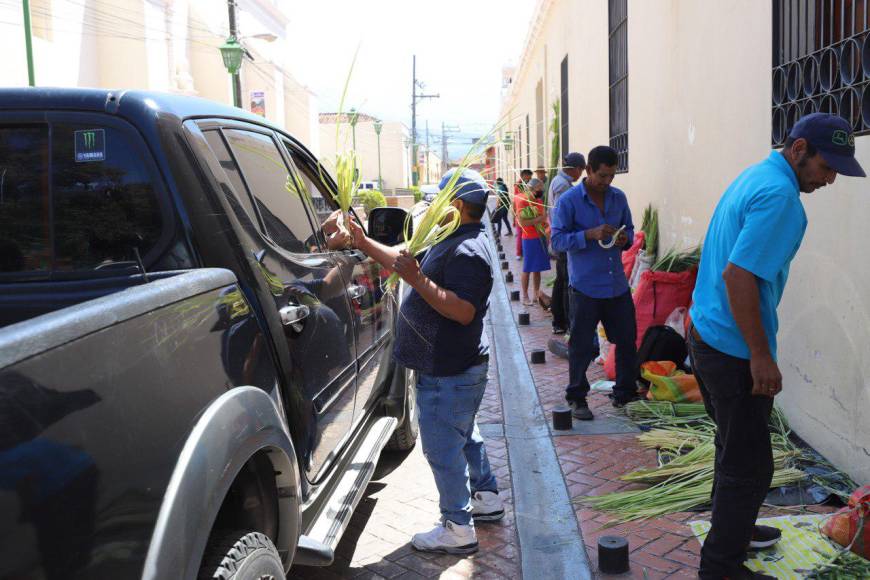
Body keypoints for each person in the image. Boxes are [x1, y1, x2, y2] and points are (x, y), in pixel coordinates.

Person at [689, 113, 865, 580]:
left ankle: (737, 531)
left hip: (706, 332)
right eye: (827, 167)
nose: (830, 180)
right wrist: (760, 356)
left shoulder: (757, 174)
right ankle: (721, 567)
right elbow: (738, 275)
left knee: (734, 449)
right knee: (750, 466)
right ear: (800, 148)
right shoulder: (783, 199)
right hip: (731, 350)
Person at [348, 168, 503, 555]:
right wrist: (362, 240)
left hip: (449, 369)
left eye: (437, 199)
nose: (431, 205)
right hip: (454, 367)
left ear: (457, 205)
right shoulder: (449, 236)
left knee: (441, 449)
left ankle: (457, 526)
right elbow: (404, 262)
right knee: (465, 434)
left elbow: (464, 311)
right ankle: (485, 497)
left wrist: (418, 282)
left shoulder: (468, 250)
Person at [551, 145, 639, 420]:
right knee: (581, 346)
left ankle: (624, 394)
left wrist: (626, 240)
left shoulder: (618, 198)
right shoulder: (569, 201)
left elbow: (631, 230)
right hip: (586, 286)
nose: (606, 182)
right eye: (602, 176)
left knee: (626, 340)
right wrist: (588, 234)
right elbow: (556, 241)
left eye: (611, 176)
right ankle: (577, 397)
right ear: (588, 170)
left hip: (617, 285)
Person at [547, 152, 586, 334]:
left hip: (559, 238)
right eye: (582, 170)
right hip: (564, 239)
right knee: (565, 282)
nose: (581, 175)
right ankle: (563, 322)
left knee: (560, 280)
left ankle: (558, 320)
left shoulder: (557, 181)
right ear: (576, 169)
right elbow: (563, 216)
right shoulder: (564, 186)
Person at [515, 177, 551, 306]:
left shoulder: (539, 201)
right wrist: (539, 219)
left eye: (542, 189)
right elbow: (522, 222)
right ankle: (525, 295)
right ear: (531, 189)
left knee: (538, 268)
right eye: (539, 189)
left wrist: (544, 225)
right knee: (528, 268)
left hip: (540, 237)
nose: (541, 191)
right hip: (529, 238)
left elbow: (545, 218)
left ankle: (536, 294)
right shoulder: (523, 201)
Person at [513, 169, 533, 259]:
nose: (530, 178)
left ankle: (522, 253)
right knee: (521, 234)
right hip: (522, 212)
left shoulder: (527, 184)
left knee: (524, 233)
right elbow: (516, 201)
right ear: (524, 175)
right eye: (529, 176)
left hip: (525, 212)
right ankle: (519, 253)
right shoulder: (519, 186)